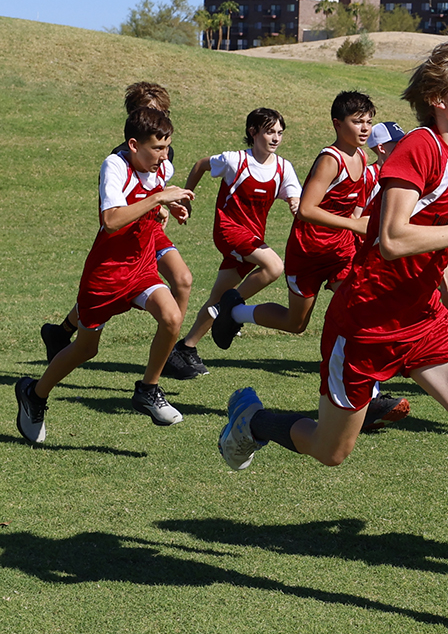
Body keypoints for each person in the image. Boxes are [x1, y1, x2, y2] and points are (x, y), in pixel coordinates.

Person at [216, 42, 448, 609]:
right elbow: (391, 240)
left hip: (423, 317)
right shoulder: (419, 149)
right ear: (439, 100)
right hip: (365, 320)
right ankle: (252, 419)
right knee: (331, 449)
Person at [212, 93, 409, 431]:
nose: (364, 128)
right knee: (295, 322)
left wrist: (363, 235)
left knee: (360, 311)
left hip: (341, 253)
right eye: (356, 121)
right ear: (337, 123)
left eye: (368, 121)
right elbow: (306, 209)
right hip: (307, 252)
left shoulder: (363, 160)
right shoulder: (330, 159)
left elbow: (359, 211)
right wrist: (354, 225)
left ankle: (369, 397)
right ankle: (234, 311)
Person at [16, 108, 194, 442]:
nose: (164, 156)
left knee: (172, 317)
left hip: (140, 268)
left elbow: (152, 198)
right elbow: (110, 220)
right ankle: (35, 393)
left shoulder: (161, 167)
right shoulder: (115, 166)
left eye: (167, 147)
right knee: (85, 349)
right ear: (133, 144)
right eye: (157, 148)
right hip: (105, 277)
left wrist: (170, 206)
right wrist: (159, 197)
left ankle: (148, 389)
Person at [41, 83, 196, 380]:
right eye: (151, 113)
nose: (159, 119)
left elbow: (155, 186)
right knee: (105, 294)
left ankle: (169, 351)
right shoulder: (119, 159)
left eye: (162, 112)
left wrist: (168, 206)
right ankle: (60, 341)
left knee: (182, 281)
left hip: (148, 228)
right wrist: (158, 202)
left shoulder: (164, 152)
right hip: (128, 230)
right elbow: (116, 212)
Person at [172, 108, 301, 367]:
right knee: (274, 267)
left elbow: (294, 195)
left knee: (217, 298)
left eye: (280, 133)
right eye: (269, 132)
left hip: (251, 239)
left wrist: (296, 204)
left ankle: (184, 350)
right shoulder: (234, 160)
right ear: (253, 133)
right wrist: (186, 196)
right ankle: (230, 311)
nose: (275, 138)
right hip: (228, 231)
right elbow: (201, 165)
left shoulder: (284, 167)